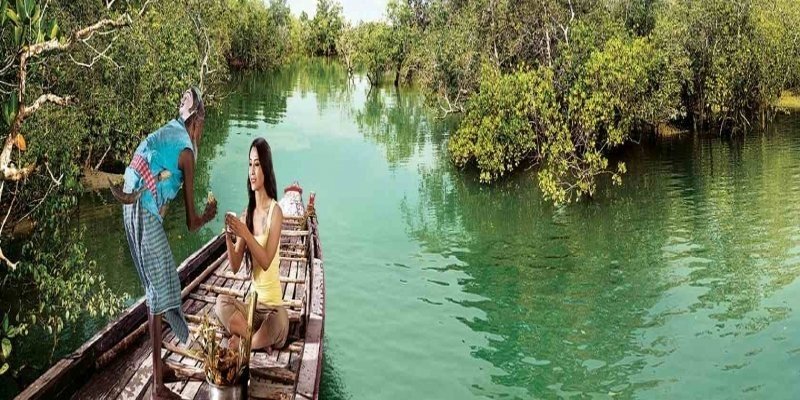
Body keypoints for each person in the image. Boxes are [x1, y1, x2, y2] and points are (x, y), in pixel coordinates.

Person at [111, 86, 217, 400]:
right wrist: (208, 215)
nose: (200, 132)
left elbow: (161, 190)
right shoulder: (187, 153)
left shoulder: (170, 134)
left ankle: (160, 366)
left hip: (133, 202)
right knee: (160, 290)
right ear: (196, 123)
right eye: (202, 125)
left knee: (161, 284)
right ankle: (158, 387)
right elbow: (191, 221)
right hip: (140, 206)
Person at [215, 137, 288, 354]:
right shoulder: (247, 214)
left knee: (278, 324)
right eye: (249, 164)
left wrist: (244, 232)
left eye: (257, 164)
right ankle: (256, 342)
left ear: (266, 168)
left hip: (272, 309)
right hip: (252, 308)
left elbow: (265, 261)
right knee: (220, 304)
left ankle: (249, 341)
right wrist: (228, 236)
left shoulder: (276, 212)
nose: (252, 171)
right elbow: (236, 265)